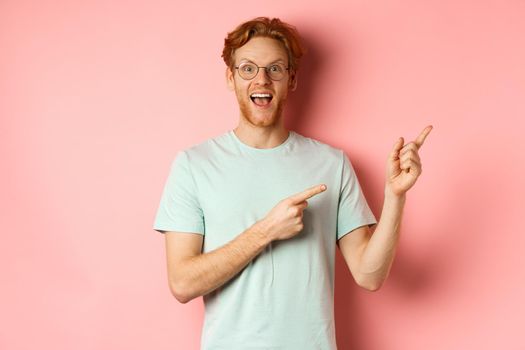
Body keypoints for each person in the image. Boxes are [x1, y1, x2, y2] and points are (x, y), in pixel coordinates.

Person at [153, 16, 432, 350]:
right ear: (231, 77)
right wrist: (267, 231)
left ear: (292, 80)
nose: (262, 80)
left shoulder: (332, 164)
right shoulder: (194, 165)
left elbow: (369, 276)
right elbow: (182, 283)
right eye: (248, 68)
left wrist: (395, 196)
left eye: (275, 69)